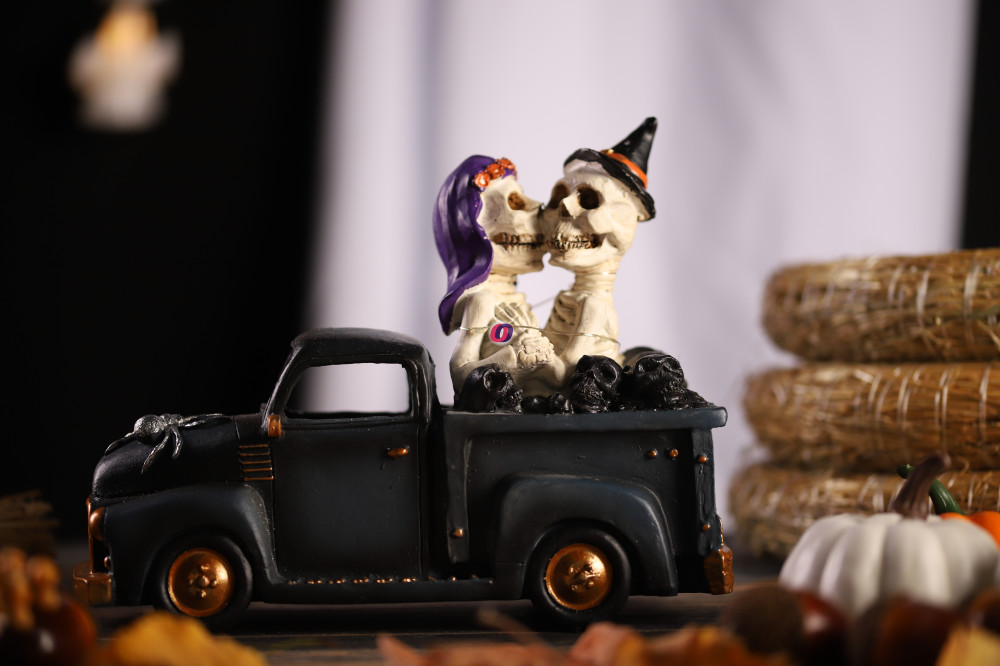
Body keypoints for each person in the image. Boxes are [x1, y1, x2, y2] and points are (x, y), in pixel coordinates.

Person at [433, 155, 554, 399]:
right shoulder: (482, 301)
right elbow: (460, 374)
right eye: (514, 202)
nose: (535, 206)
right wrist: (513, 358)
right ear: (471, 229)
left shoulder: (518, 300)